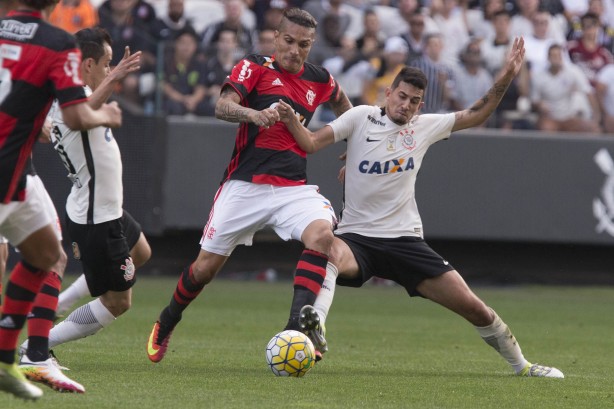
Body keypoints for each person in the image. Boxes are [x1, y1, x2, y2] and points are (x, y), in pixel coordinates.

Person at [276, 37, 564, 379]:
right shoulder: (359, 118)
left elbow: (478, 113)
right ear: (388, 93)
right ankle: (315, 327)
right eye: (401, 97)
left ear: (420, 105)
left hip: (405, 242)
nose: (406, 106)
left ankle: (523, 366)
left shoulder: (425, 127)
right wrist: (293, 121)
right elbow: (309, 142)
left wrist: (506, 76)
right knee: (328, 252)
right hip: (357, 239)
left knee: (474, 307)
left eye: (414, 101)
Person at [146, 7, 352, 364]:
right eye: (288, 41)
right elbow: (222, 106)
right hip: (245, 184)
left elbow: (344, 106)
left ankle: (296, 329)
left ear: (311, 45)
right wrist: (253, 114)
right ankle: (167, 319)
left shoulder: (320, 78)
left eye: (303, 45)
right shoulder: (255, 66)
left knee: (322, 236)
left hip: (293, 188)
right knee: (203, 270)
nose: (294, 50)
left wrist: (353, 146)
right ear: (276, 38)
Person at [0, 0, 122, 400]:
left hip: (20, 172)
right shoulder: (56, 42)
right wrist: (108, 116)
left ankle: (27, 355)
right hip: (7, 169)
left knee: (50, 256)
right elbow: (75, 116)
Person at [18, 28, 151, 370]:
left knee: (142, 252)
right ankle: (40, 343)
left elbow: (57, 123)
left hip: (106, 208)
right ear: (88, 64)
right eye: (107, 64)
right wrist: (117, 77)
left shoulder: (73, 94)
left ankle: (53, 305)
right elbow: (80, 112)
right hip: (96, 217)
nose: (111, 70)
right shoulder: (74, 96)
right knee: (118, 302)